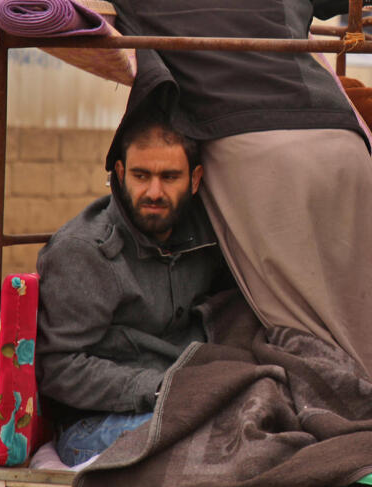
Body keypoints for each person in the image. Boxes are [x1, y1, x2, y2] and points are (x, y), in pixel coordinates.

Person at [90, 0, 372, 430]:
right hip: (340, 140)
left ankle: (359, 435)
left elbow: (96, 26)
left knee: (301, 316)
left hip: (253, 150)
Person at [35, 113, 234, 466]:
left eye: (170, 177)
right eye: (142, 176)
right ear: (122, 174)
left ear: (194, 180)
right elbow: (59, 368)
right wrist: (161, 389)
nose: (154, 192)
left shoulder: (209, 239)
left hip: (187, 403)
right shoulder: (83, 251)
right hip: (96, 422)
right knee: (215, 444)